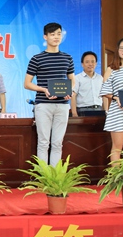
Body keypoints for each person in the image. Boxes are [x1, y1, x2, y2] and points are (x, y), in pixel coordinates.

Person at [24, 22, 75, 166]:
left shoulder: (67, 58)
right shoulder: (36, 59)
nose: (56, 37)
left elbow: (72, 80)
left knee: (58, 143)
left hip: (62, 105)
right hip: (43, 105)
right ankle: (44, 176)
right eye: (52, 34)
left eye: (59, 34)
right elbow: (27, 83)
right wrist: (44, 90)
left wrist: (69, 91)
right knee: (43, 142)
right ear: (45, 37)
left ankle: (55, 176)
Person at [71, 51, 104, 117]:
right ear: (82, 64)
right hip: (83, 110)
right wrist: (74, 113)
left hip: (99, 110)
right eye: (87, 62)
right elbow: (73, 96)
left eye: (92, 61)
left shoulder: (100, 78)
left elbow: (104, 96)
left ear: (96, 63)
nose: (90, 64)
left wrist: (106, 111)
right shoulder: (77, 78)